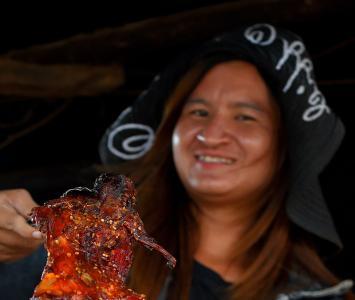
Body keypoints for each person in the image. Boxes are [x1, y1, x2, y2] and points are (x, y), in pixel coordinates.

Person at [0, 23, 353, 300]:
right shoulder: (81, 250)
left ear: (285, 149)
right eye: (198, 111)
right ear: (168, 134)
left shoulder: (317, 296)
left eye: (245, 117)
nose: (212, 134)